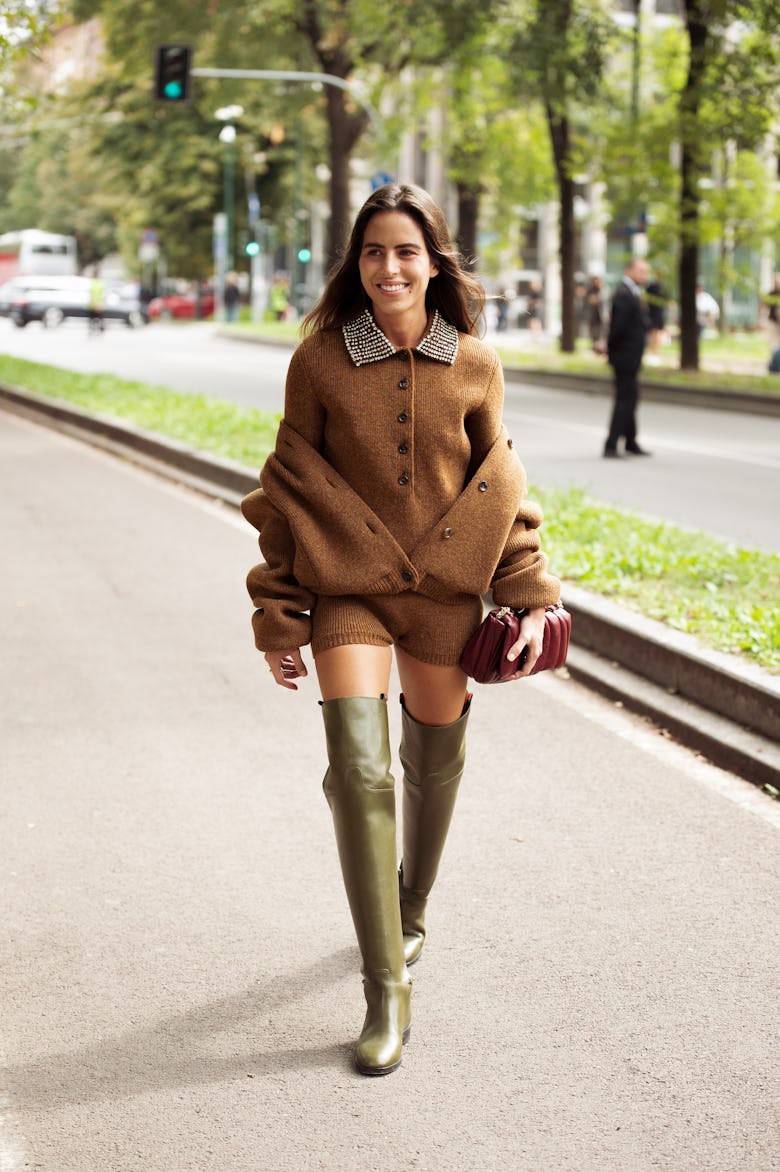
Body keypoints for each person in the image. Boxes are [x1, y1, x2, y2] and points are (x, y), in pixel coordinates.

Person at [241, 184, 561, 1077]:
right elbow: (288, 488)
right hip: (349, 589)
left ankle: (412, 904)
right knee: (359, 766)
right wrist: (278, 614)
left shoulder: (477, 364)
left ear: (434, 262)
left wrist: (531, 595)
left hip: (446, 592)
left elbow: (505, 484)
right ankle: (387, 991)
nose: (389, 267)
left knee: (432, 754)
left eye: (406, 251)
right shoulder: (319, 362)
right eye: (374, 251)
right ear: (358, 261)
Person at [603, 257, 651, 458]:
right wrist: (609, 348)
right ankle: (611, 444)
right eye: (641, 271)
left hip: (630, 357)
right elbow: (617, 328)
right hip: (624, 357)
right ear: (630, 271)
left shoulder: (631, 292)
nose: (645, 276)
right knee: (625, 400)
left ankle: (630, 441)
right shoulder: (624, 294)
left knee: (630, 398)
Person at [644, 275, 668, 365]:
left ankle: (654, 351)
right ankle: (653, 351)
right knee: (654, 333)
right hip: (654, 314)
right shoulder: (655, 287)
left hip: (657, 314)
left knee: (656, 333)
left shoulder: (661, 287)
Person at [761, 274, 780, 365]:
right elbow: (764, 307)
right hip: (772, 322)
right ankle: (774, 361)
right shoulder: (771, 294)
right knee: (773, 343)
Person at [585, 275, 605, 351]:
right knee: (593, 330)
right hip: (592, 314)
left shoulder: (602, 290)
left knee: (601, 330)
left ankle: (599, 345)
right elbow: (588, 300)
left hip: (600, 314)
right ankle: (594, 345)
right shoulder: (590, 290)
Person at [87, 270, 104, 334]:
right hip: (98, 303)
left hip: (93, 303)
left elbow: (91, 294)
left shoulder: (93, 283)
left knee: (92, 318)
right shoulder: (100, 283)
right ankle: (99, 328)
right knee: (98, 317)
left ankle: (93, 329)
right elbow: (102, 294)